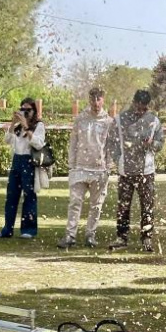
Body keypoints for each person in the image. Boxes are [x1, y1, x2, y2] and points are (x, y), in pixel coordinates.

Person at [108, 89, 164, 253]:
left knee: (147, 206)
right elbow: (111, 142)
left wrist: (152, 144)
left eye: (143, 108)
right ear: (133, 103)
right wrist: (118, 159)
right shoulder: (119, 119)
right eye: (137, 107)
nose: (140, 111)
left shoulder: (154, 120)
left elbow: (160, 142)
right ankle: (121, 237)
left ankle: (146, 238)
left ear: (148, 106)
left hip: (146, 172)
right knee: (123, 206)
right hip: (125, 171)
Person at [58, 87, 113, 249]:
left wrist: (108, 167)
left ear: (103, 100)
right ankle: (70, 235)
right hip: (80, 169)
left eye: (98, 99)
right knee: (75, 202)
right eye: (93, 99)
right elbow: (73, 142)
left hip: (99, 170)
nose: (95, 103)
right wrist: (72, 165)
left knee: (96, 205)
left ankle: (90, 234)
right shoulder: (80, 119)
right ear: (89, 100)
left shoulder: (109, 122)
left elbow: (110, 147)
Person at [0, 97, 46, 239]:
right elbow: (7, 140)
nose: (25, 112)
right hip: (16, 160)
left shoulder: (38, 125)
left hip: (29, 161)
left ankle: (28, 229)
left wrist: (26, 126)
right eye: (23, 109)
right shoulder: (17, 127)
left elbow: (38, 144)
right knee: (11, 195)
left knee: (29, 196)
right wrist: (13, 123)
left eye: (28, 110)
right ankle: (7, 229)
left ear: (34, 111)